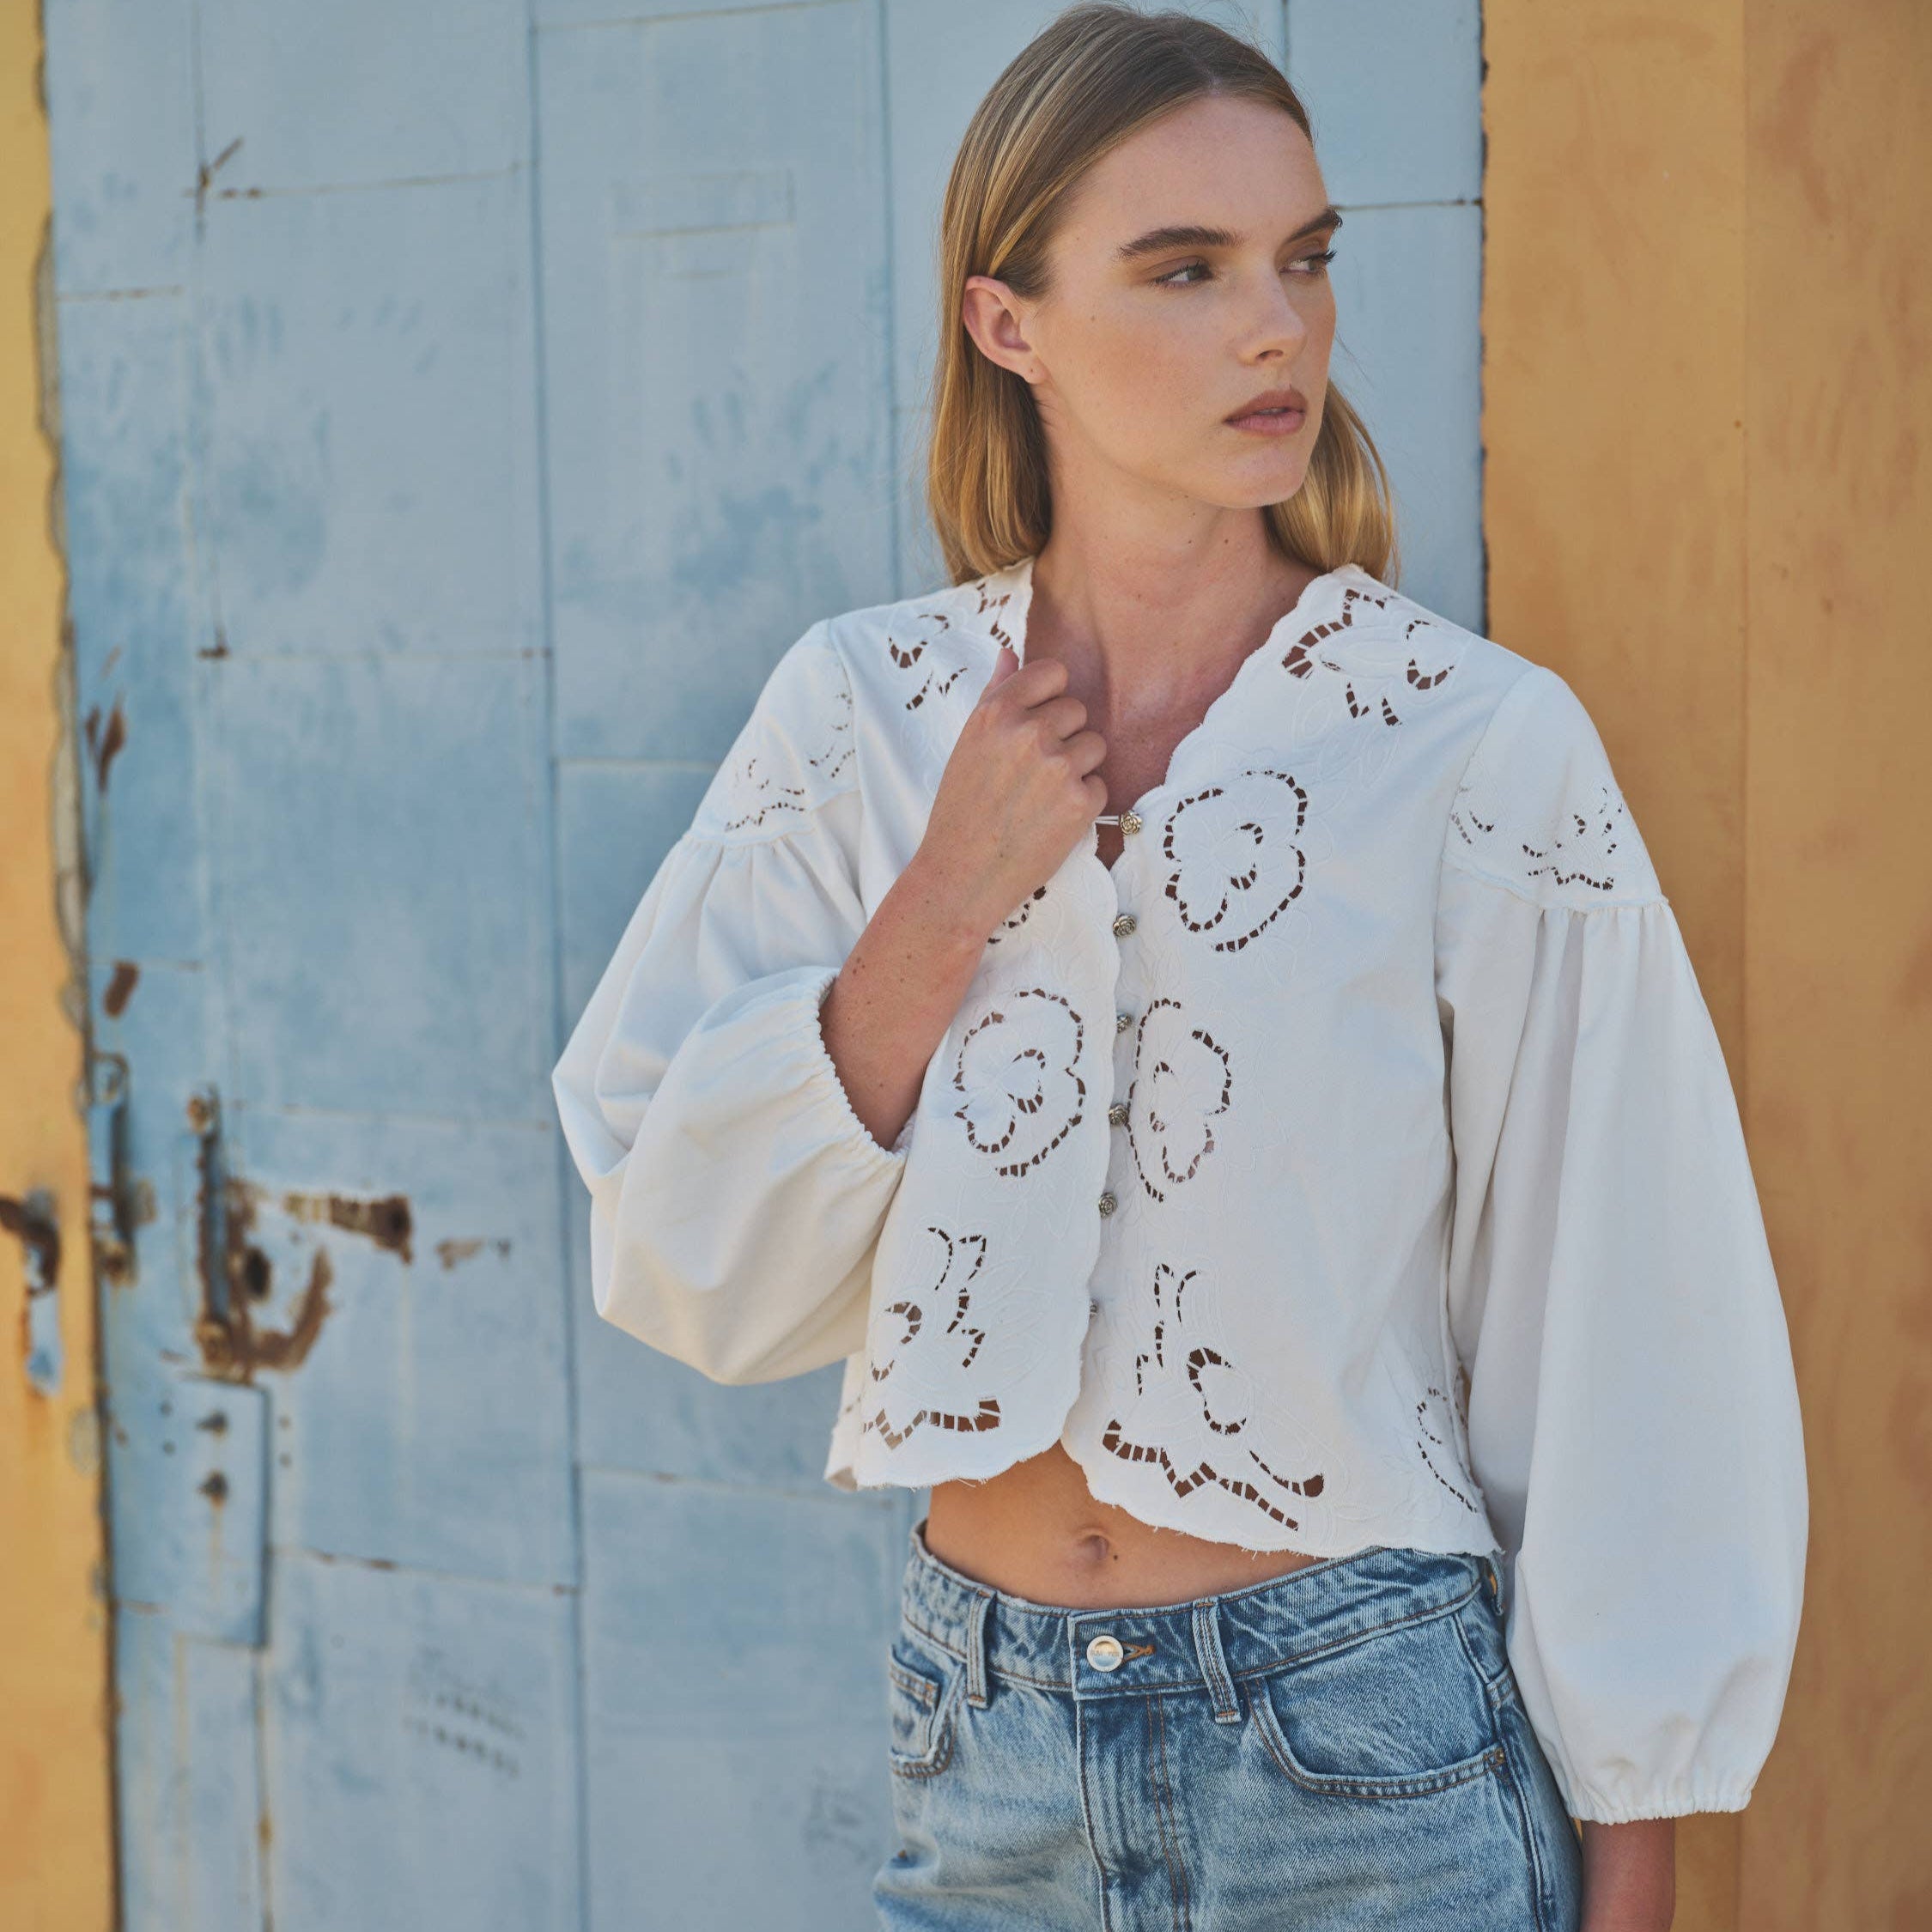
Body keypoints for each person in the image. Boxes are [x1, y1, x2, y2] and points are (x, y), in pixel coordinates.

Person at [550, 7, 1809, 1927]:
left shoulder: (1472, 745)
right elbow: (675, 1244)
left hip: (1372, 1757)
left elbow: (1624, 1313)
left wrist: (1629, 1872)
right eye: (1185, 269)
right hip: (985, 1751)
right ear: (1008, 323)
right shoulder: (862, 720)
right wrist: (944, 898)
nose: (1275, 328)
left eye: (1303, 259)